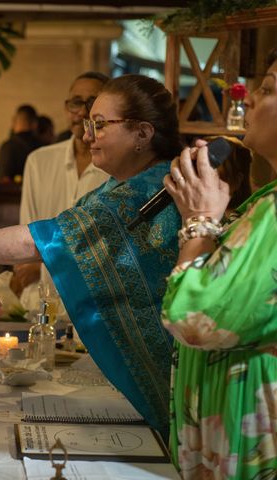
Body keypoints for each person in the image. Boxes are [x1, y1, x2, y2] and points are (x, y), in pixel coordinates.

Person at [0, 74, 185, 437]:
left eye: (100, 125)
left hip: (169, 369)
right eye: (89, 123)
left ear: (143, 134)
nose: (88, 136)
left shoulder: (147, 191)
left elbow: (47, 239)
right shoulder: (124, 186)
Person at [161, 51, 277, 479]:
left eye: (266, 89)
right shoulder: (264, 203)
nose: (246, 101)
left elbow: (195, 318)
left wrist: (199, 222)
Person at [12, 72, 110, 300]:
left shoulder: (116, 168)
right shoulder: (39, 161)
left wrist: (44, 268)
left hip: (95, 302)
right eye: (76, 103)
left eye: (92, 103)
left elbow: (106, 248)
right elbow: (28, 232)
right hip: (41, 300)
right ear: (67, 108)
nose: (83, 112)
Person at [0, 104, 41, 182]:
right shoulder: (41, 146)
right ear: (35, 124)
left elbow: (3, 178)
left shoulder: (8, 146)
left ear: (14, 120)